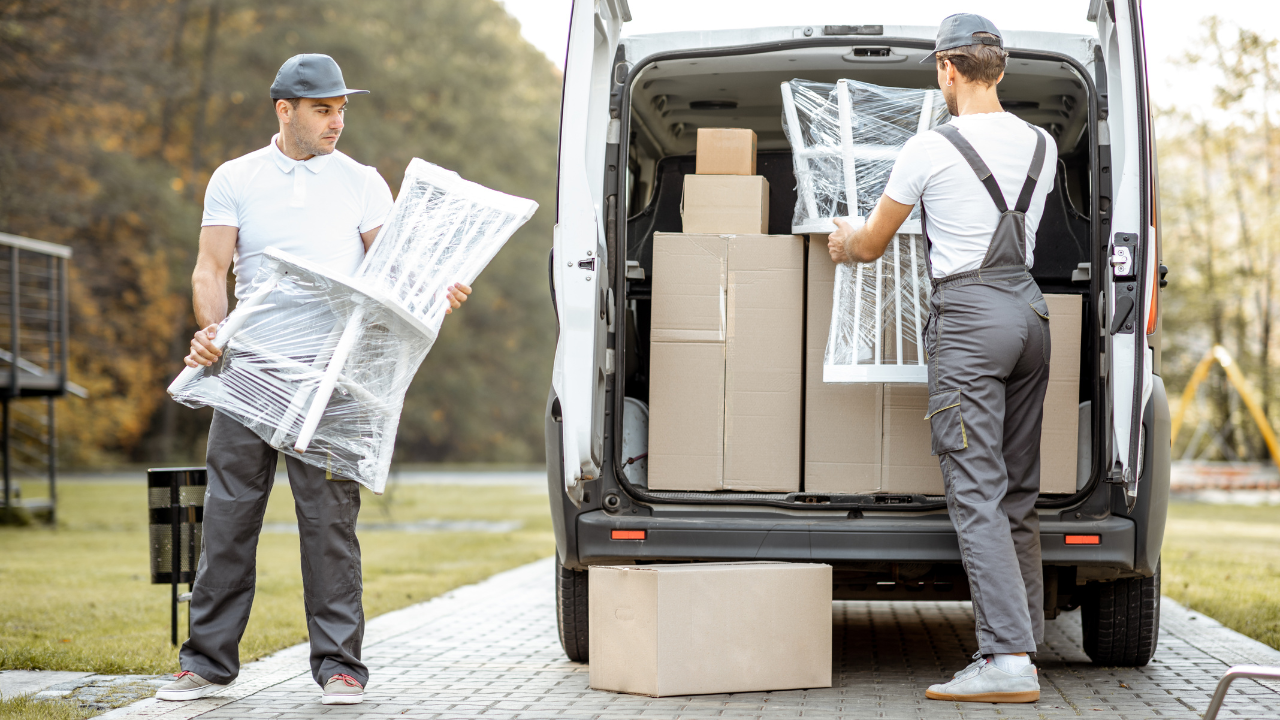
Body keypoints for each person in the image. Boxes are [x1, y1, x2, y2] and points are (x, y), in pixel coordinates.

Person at [155, 53, 471, 707]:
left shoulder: (362, 183)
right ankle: (206, 666)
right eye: (323, 109)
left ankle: (340, 669)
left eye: (341, 109)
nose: (336, 121)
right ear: (285, 110)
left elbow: (395, 274)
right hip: (249, 376)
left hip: (332, 381)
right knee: (227, 521)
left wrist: (435, 290)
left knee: (330, 524)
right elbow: (210, 270)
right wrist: (212, 332)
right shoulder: (235, 177)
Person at [827, 14, 1056, 704]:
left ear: (947, 71)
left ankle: (1006, 660)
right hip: (1031, 317)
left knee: (976, 489)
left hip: (971, 322)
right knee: (1016, 492)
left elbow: (870, 245)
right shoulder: (1042, 143)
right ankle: (1025, 644)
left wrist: (842, 239)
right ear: (1000, 69)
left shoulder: (929, 147)